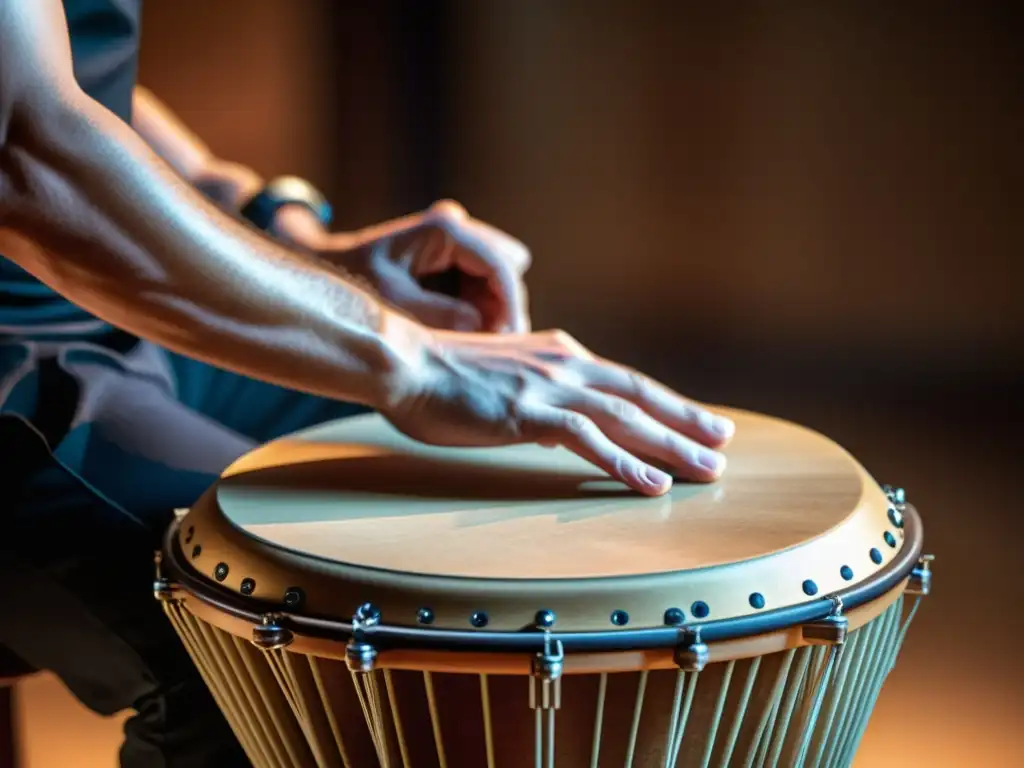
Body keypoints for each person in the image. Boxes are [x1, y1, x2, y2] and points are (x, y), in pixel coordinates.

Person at [0, 1, 736, 765]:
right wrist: (413, 359)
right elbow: (25, 148)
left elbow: (70, 65)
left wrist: (279, 229)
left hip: (118, 321)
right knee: (278, 653)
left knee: (510, 505)